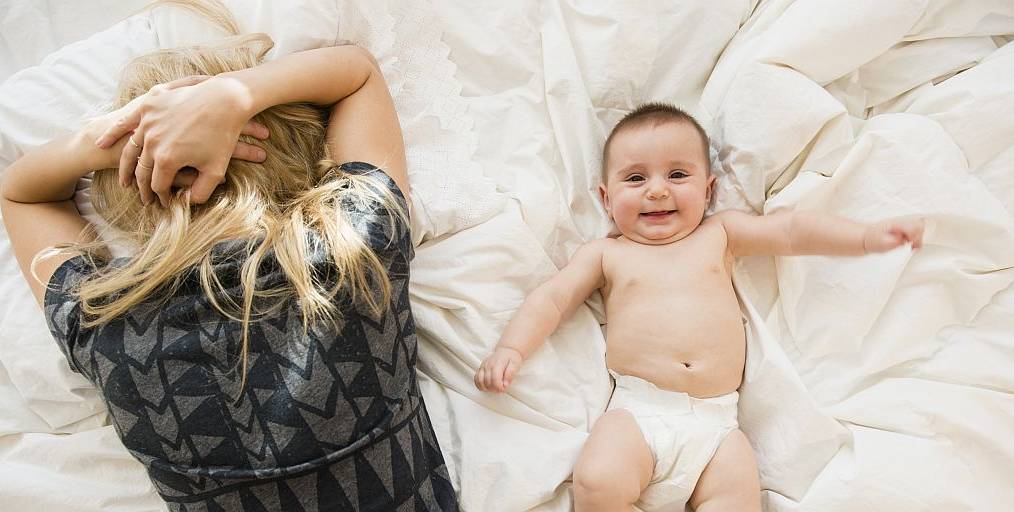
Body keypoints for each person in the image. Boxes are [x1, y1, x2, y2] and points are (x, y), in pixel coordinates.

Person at [1, 2, 458, 510]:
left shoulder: (104, 324)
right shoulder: (351, 246)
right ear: (296, 145)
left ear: (127, 186)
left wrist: (111, 139)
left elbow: (21, 193)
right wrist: (237, 96)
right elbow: (357, 72)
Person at [474, 102, 925, 511]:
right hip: (639, 412)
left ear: (708, 191)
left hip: (718, 426)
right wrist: (511, 349)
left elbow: (790, 232)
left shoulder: (720, 234)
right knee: (596, 481)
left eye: (677, 175)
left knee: (738, 498)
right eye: (636, 178)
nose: (656, 191)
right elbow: (553, 299)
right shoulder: (607, 254)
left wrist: (865, 238)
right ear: (606, 199)